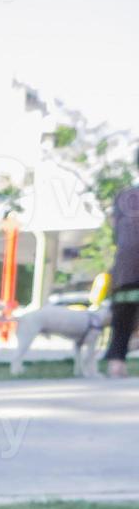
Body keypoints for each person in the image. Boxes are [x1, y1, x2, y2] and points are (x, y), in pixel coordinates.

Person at [105, 156, 139, 377]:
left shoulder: (124, 196)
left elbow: (116, 232)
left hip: (126, 269)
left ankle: (116, 363)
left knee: (123, 316)